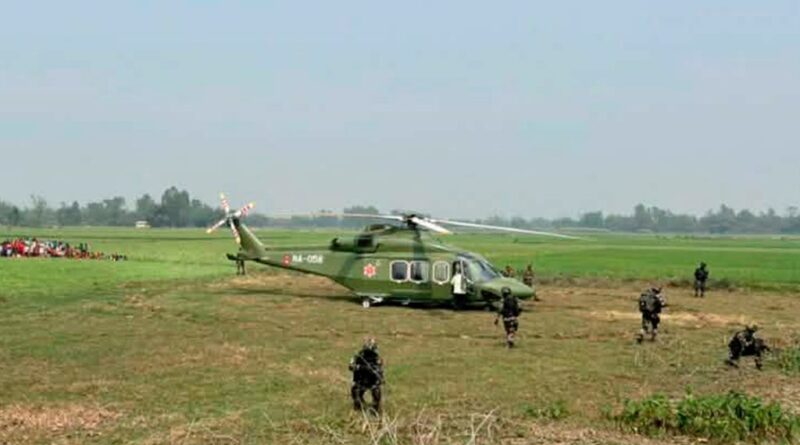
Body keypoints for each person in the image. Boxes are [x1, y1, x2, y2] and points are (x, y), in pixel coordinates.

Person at [349, 337, 384, 412]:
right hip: (360, 380)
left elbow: (380, 369)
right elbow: (351, 366)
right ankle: (359, 406)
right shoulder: (358, 356)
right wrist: (361, 367)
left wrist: (375, 371)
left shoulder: (377, 357)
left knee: (376, 392)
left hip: (372, 381)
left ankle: (375, 408)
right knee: (356, 393)